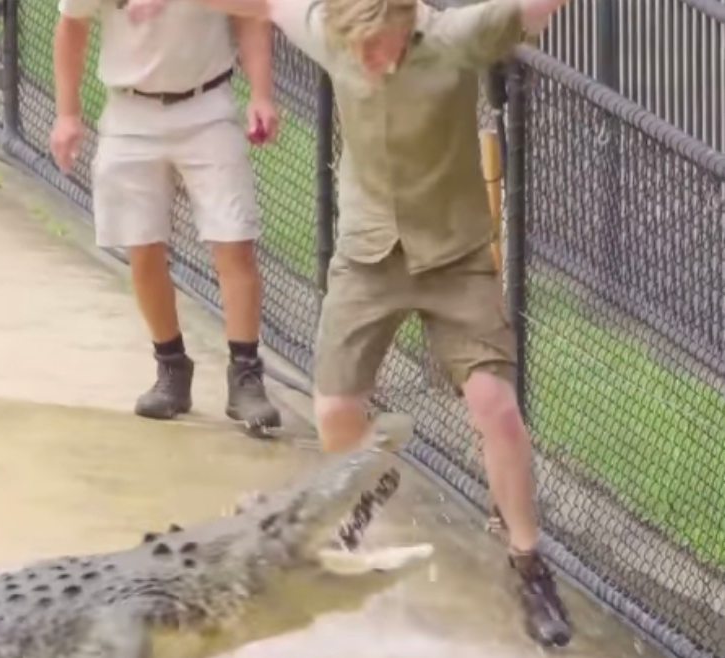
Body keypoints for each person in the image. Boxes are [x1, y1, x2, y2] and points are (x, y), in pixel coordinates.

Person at [126, 0, 574, 647]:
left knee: (494, 406)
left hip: (455, 259)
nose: (364, 60)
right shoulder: (333, 31)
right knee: (334, 407)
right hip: (368, 257)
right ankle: (359, 497)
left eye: (377, 48)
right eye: (354, 50)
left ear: (407, 25)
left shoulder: (453, 39)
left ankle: (529, 563)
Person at [48, 0, 285, 436]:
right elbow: (71, 27)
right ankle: (171, 367)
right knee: (143, 246)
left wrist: (261, 94)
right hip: (130, 111)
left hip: (208, 106)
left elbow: (251, 15)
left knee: (234, 240)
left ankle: (246, 378)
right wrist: (67, 114)